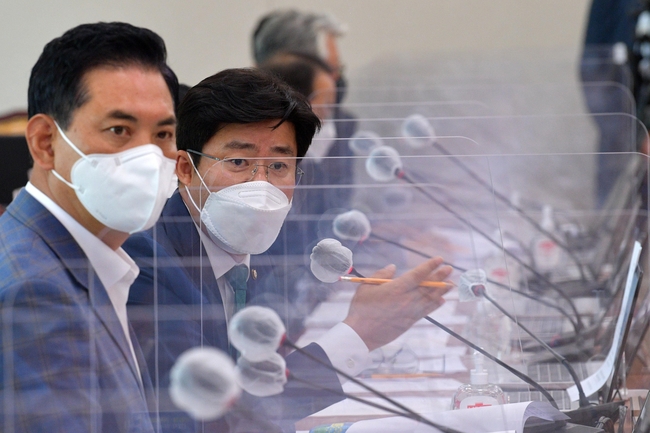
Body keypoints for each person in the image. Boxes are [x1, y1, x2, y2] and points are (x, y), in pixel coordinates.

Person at [124, 68, 452, 433]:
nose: (261, 185)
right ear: (186, 169)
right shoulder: (150, 266)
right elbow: (216, 419)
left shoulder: (260, 244)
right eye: (238, 162)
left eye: (279, 165)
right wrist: (359, 333)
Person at [0, 22, 179, 432]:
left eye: (163, 133)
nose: (149, 157)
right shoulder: (36, 292)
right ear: (45, 142)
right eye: (119, 130)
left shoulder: (82, 255)